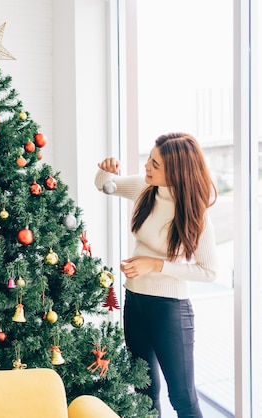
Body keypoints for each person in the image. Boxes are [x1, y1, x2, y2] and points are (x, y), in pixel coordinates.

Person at [95, 133, 218, 418]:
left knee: (182, 398)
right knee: (143, 391)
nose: (147, 168)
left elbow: (209, 271)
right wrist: (105, 170)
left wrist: (156, 264)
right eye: (149, 160)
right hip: (135, 301)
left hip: (170, 310)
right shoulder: (144, 187)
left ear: (176, 171)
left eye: (155, 164)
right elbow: (106, 186)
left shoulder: (194, 213)